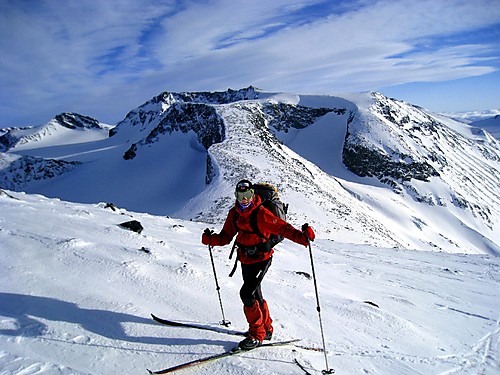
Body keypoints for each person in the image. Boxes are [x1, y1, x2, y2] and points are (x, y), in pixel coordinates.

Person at [201, 179, 316, 350]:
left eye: (247, 195)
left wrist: (304, 238)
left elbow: (283, 229)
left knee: (247, 294)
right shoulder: (235, 214)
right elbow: (226, 236)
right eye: (241, 195)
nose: (244, 199)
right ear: (236, 196)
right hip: (245, 259)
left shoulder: (261, 213)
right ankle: (266, 329)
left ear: (253, 195)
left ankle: (257, 335)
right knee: (255, 295)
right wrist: (211, 240)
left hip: (262, 259)